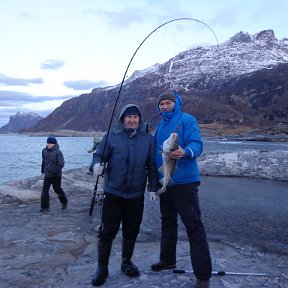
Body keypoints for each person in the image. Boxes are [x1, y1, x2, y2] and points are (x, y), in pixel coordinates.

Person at [91, 104, 159, 286]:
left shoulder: (148, 140)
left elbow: (152, 165)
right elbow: (99, 155)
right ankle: (102, 268)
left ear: (139, 119)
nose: (132, 120)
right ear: (122, 119)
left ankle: (126, 261)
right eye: (128, 117)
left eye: (135, 117)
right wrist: (96, 166)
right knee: (107, 231)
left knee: (131, 230)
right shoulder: (112, 136)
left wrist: (153, 187)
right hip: (112, 193)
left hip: (136, 195)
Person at [151, 91, 212, 288]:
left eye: (168, 103)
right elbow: (156, 154)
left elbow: (198, 144)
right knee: (167, 223)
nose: (165, 106)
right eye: (162, 104)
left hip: (185, 182)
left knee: (194, 226)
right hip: (165, 182)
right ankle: (168, 260)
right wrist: (154, 182)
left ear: (175, 103)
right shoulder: (160, 126)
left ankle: (203, 275)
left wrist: (185, 152)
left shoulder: (187, 119)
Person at [40, 135, 68, 212]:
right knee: (45, 190)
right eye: (48, 142)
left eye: (51, 143)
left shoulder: (58, 152)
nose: (49, 144)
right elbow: (44, 161)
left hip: (56, 175)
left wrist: (54, 171)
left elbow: (61, 164)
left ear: (54, 144)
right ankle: (45, 207)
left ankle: (64, 202)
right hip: (47, 175)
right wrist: (42, 169)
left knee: (57, 189)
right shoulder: (44, 151)